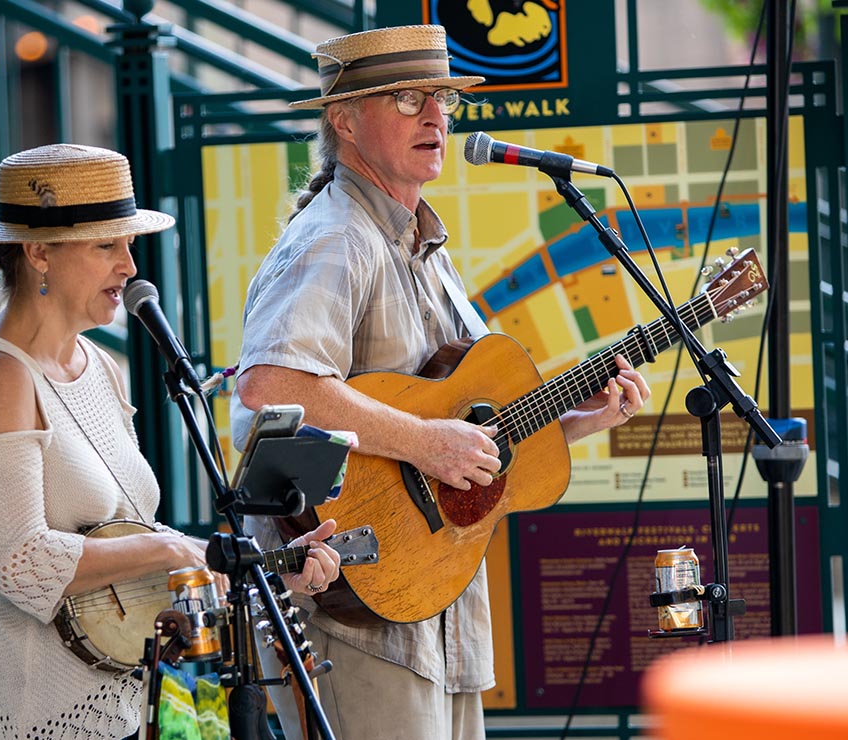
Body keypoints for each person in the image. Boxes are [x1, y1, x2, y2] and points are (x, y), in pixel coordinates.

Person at [230, 25, 652, 740]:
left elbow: (467, 432)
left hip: (432, 598)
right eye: (406, 98)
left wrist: (580, 418)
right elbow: (271, 384)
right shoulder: (336, 240)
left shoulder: (424, 247)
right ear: (343, 120)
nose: (436, 116)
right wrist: (427, 441)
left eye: (444, 98)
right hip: (353, 601)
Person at [0, 143, 341, 740]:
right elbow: (20, 565)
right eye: (106, 245)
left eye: (128, 243)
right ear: (39, 251)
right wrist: (175, 550)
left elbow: (127, 556)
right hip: (20, 712)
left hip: (125, 709)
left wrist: (265, 574)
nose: (130, 265)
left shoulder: (100, 366)